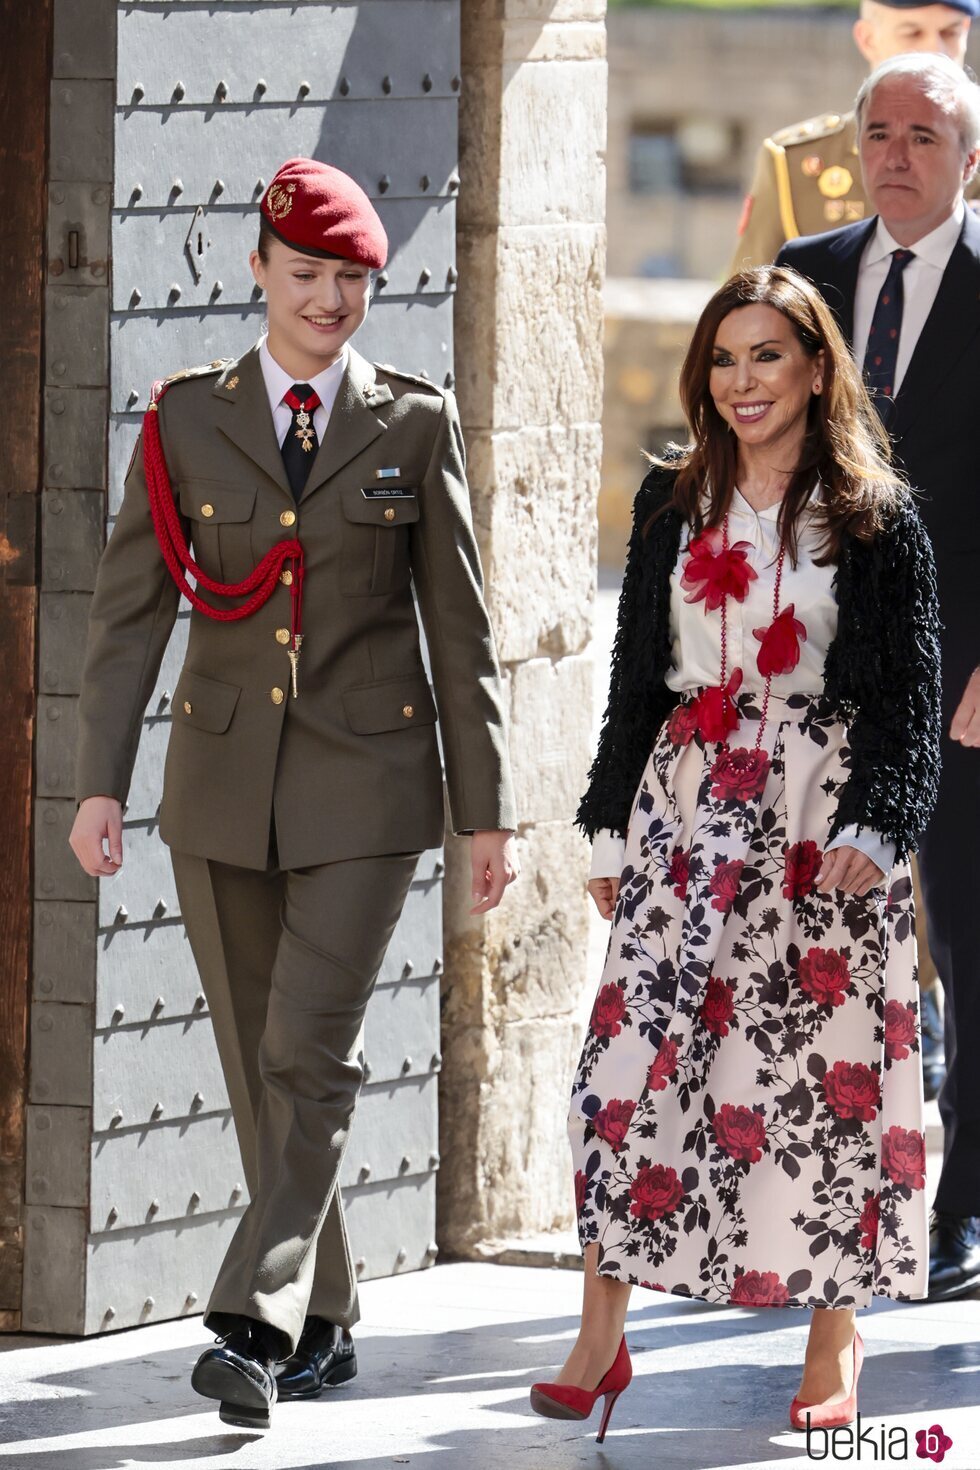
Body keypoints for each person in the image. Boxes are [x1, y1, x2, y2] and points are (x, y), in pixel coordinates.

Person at [69, 157, 519, 1429]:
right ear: (256, 267)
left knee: (305, 1054)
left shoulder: (412, 423)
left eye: (353, 280)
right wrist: (97, 785)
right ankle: (327, 1318)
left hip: (371, 789)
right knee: (253, 1063)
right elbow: (125, 624)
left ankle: (250, 1326)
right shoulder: (183, 421)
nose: (330, 300)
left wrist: (483, 811)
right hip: (219, 787)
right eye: (308, 273)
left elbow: (462, 635)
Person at [529, 265, 940, 1441]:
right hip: (684, 809)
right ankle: (600, 1334)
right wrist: (607, 818)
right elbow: (630, 685)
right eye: (724, 358)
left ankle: (833, 1334)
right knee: (628, 1068)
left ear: (816, 369)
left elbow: (907, 698)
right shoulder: (670, 500)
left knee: (820, 1085)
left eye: (767, 355)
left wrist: (877, 823)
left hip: (824, 825)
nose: (742, 380)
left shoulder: (872, 513)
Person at [778, 53, 980, 1301]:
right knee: (803, 935)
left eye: (924, 132)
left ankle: (957, 1212)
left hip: (961, 676)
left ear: (970, 158)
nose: (895, 151)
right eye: (878, 129)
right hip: (810, 670)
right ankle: (806, 1202)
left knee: (963, 943)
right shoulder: (799, 278)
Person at [731, 0, 979, 274]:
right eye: (912, 33)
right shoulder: (793, 163)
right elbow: (745, 300)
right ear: (868, 39)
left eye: (950, 33)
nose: (937, 51)